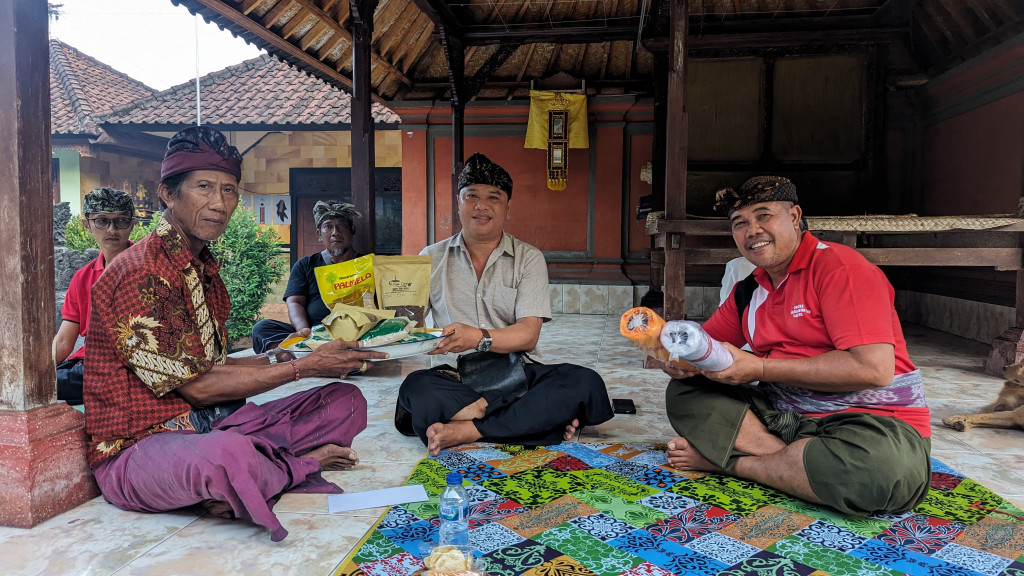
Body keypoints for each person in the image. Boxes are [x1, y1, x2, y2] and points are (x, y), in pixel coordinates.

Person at [83, 127, 386, 542]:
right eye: (204, 187)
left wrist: (280, 357)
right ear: (168, 195)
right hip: (138, 449)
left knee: (343, 401)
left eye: (228, 190)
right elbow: (201, 387)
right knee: (231, 457)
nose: (219, 203)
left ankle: (252, 474)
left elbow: (209, 366)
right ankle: (294, 465)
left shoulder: (201, 266)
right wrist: (304, 366)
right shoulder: (141, 272)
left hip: (213, 426)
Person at [661, 176, 931, 516]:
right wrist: (676, 357)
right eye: (739, 223)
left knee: (882, 476)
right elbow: (706, 346)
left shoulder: (841, 269)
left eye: (764, 216)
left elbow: (873, 369)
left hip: (870, 424)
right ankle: (790, 464)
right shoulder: (748, 291)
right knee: (686, 393)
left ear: (794, 217)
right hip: (786, 419)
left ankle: (734, 465)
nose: (752, 230)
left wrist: (758, 368)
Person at [396, 153, 614, 456]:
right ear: (458, 203)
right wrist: (389, 317)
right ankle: (531, 422)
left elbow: (528, 334)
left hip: (517, 373)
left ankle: (469, 429)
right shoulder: (429, 258)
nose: (481, 206)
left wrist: (478, 337)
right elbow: (409, 327)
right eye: (471, 196)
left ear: (507, 208)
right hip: (454, 376)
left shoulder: (528, 258)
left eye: (493, 198)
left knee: (584, 383)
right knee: (416, 389)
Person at [53, 188, 136, 406]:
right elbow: (63, 342)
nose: (112, 229)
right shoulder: (82, 278)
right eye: (102, 221)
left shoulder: (146, 268)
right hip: (89, 365)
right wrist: (33, 373)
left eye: (121, 221)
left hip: (134, 365)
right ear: (86, 225)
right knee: (41, 384)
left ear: (132, 224)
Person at [251, 201, 363, 353]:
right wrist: (305, 332)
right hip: (315, 334)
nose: (335, 232)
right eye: (328, 226)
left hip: (360, 333)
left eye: (342, 225)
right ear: (319, 234)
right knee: (262, 328)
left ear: (352, 230)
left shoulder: (368, 264)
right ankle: (310, 350)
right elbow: (295, 302)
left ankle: (303, 355)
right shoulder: (305, 265)